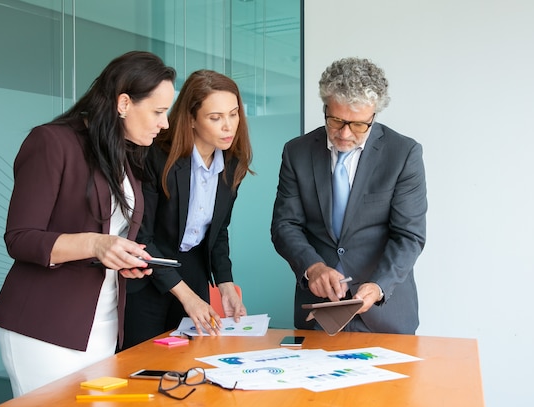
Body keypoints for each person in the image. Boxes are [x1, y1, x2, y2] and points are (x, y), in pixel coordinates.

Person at [0, 51, 176, 396]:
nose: (164, 124)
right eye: (158, 112)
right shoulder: (51, 142)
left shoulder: (123, 153)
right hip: (45, 326)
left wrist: (123, 258)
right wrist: (95, 244)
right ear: (123, 103)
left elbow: (110, 236)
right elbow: (20, 238)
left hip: (103, 324)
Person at [271, 57, 427, 334]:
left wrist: (379, 286)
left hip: (384, 314)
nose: (344, 134)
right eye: (336, 120)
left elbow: (409, 236)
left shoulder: (403, 154)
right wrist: (313, 266)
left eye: (357, 125)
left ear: (373, 116)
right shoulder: (297, 152)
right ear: (325, 107)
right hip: (319, 313)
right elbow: (285, 225)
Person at [123, 70, 252, 348]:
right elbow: (141, 237)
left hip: (192, 271)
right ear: (191, 119)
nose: (228, 126)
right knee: (142, 365)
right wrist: (188, 297)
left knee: (191, 363)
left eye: (233, 114)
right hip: (147, 276)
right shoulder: (156, 157)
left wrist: (226, 285)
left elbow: (218, 233)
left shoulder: (231, 163)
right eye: (215, 118)